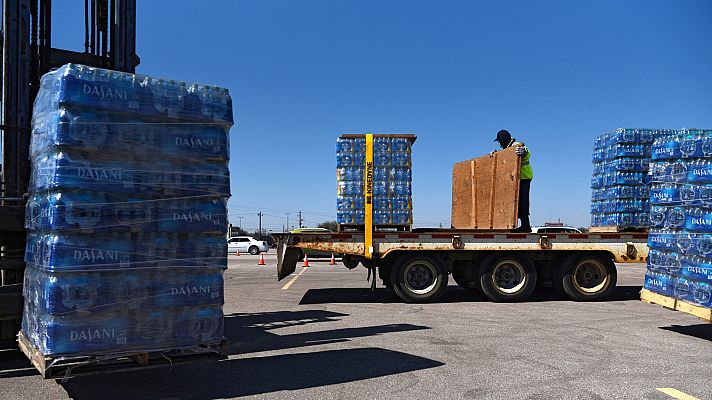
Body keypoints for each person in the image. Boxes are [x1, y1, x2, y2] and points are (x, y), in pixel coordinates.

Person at [494, 129, 533, 233]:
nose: (499, 144)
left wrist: (524, 152)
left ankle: (526, 226)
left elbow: (526, 151)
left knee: (523, 202)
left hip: (524, 178)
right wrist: (494, 155)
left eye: (499, 141)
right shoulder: (507, 149)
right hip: (514, 179)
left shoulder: (515, 145)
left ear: (503, 140)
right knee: (514, 202)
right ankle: (517, 224)